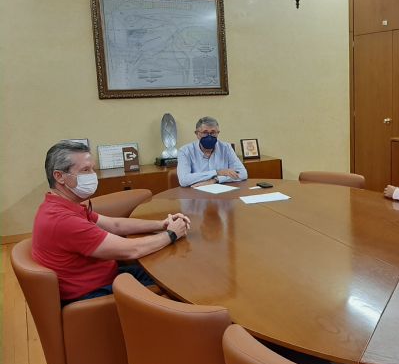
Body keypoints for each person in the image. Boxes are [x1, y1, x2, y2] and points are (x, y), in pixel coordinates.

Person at [32, 141, 191, 304]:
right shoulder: (63, 220)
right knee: (178, 280)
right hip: (94, 294)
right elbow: (131, 250)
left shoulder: (60, 206)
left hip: (103, 275)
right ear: (59, 176)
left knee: (167, 269)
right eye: (85, 170)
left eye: (92, 169)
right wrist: (172, 234)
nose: (92, 175)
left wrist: (161, 224)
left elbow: (115, 225)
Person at [177, 116, 248, 187]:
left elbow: (243, 173)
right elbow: (184, 180)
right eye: (205, 132)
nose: (209, 136)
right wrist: (217, 172)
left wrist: (216, 180)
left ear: (218, 133)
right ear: (197, 134)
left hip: (222, 193)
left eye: (213, 132)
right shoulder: (185, 151)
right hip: (196, 194)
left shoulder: (226, 148)